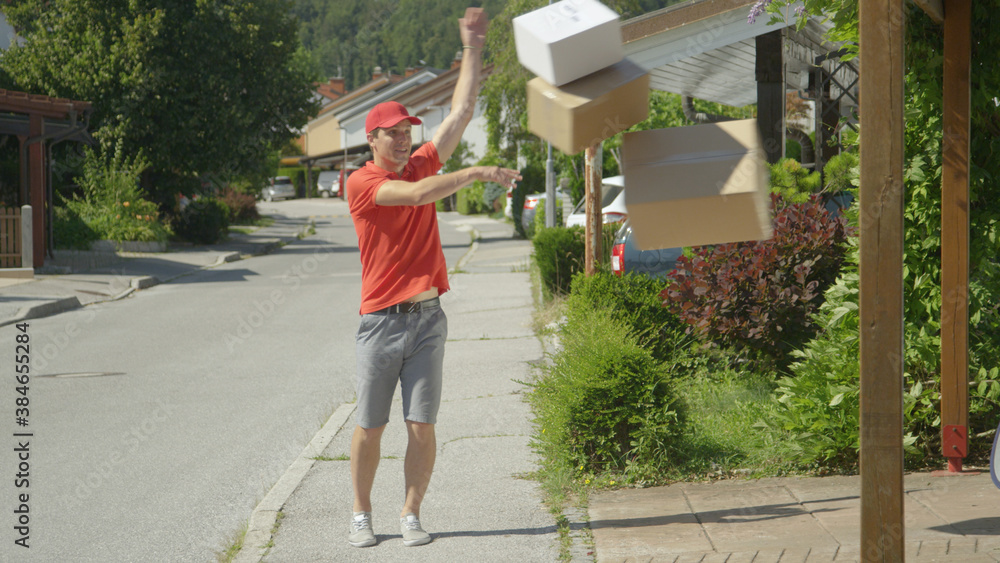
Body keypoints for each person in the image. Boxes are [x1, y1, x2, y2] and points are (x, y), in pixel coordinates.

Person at [344, 7, 522, 549]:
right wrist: (475, 173)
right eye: (394, 134)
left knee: (421, 425)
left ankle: (411, 514)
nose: (404, 140)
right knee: (371, 427)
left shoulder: (420, 163)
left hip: (427, 319)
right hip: (380, 324)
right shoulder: (362, 182)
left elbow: (463, 110)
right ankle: (360, 514)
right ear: (373, 139)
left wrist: (472, 45)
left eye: (408, 133)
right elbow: (417, 196)